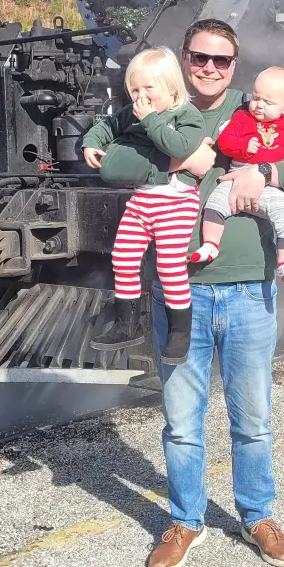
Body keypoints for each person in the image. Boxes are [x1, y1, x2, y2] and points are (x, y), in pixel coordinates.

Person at [95, 18, 284, 567]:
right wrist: (182, 159)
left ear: (235, 65)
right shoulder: (155, 101)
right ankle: (186, 520)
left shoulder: (257, 110)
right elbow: (111, 161)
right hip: (180, 296)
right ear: (184, 56)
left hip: (249, 291)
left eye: (222, 61)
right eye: (200, 57)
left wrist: (263, 176)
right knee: (181, 421)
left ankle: (257, 515)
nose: (209, 68)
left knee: (253, 419)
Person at [80, 47, 205, 364]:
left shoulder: (186, 115)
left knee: (169, 267)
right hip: (143, 200)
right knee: (122, 257)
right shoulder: (131, 112)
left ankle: (180, 333)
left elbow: (178, 146)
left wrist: (150, 120)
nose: (141, 96)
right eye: (134, 90)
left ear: (172, 87)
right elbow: (107, 126)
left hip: (176, 202)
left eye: (149, 89)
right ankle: (127, 324)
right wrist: (91, 141)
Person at [190, 66, 284, 288]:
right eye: (256, 98)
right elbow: (225, 142)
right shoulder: (242, 117)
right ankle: (211, 244)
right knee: (215, 203)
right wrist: (244, 146)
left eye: (268, 102)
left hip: (270, 187)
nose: (259, 105)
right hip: (235, 176)